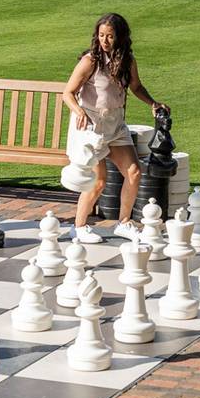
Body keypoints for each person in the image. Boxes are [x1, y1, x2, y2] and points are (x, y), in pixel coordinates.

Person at [62, 13, 166, 244]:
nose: (105, 41)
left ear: (120, 37)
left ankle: (124, 222)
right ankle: (78, 227)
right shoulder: (90, 61)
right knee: (98, 181)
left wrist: (153, 103)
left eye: (110, 36)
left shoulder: (127, 60)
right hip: (92, 129)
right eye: (101, 35)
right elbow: (67, 93)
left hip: (116, 126)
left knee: (134, 172)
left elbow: (136, 87)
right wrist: (79, 111)